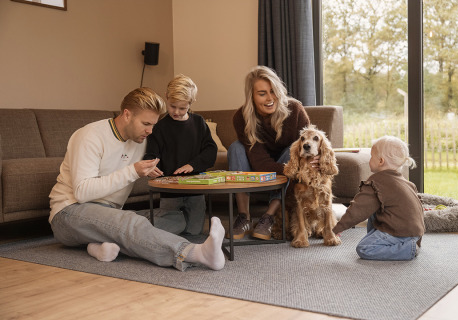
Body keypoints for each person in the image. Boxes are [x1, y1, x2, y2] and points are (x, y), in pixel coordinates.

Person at [48, 87, 225, 271]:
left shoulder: (140, 140)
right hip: (69, 211)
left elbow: (176, 144)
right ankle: (194, 253)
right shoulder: (90, 136)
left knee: (175, 219)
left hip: (110, 213)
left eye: (153, 125)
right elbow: (82, 192)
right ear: (127, 115)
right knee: (129, 224)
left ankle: (97, 244)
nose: (150, 131)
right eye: (146, 124)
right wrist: (132, 171)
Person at [228, 65, 310, 240]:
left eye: (273, 91)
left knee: (294, 149)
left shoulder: (295, 110)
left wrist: (306, 163)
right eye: (262, 93)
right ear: (251, 95)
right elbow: (259, 162)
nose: (270, 98)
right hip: (258, 164)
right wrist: (290, 169)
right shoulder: (241, 117)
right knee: (235, 148)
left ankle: (269, 216)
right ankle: (244, 217)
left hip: (287, 161)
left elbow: (308, 147)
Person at [144, 74, 217, 235]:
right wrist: (150, 166)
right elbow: (151, 153)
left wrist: (192, 165)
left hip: (195, 190)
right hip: (170, 192)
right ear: (166, 97)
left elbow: (211, 150)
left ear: (191, 104)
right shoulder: (159, 127)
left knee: (194, 233)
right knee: (169, 230)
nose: (176, 112)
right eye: (172, 106)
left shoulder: (198, 122)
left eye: (182, 108)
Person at [332, 136, 425, 261]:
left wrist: (337, 228)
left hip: (400, 233)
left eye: (371, 156)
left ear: (381, 161)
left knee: (364, 248)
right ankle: (405, 243)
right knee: (375, 205)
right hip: (415, 233)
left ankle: (408, 249)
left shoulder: (377, 182)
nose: (369, 159)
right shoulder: (406, 182)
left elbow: (357, 210)